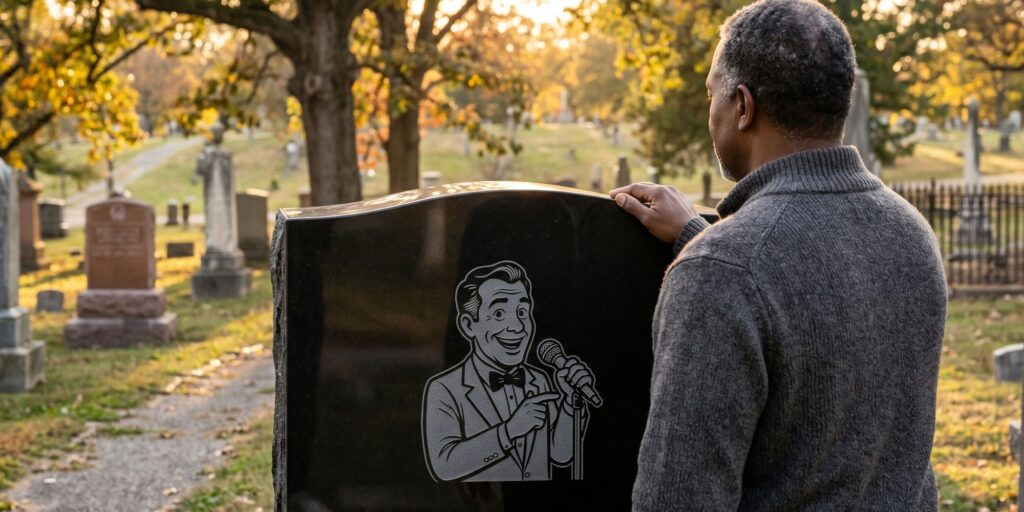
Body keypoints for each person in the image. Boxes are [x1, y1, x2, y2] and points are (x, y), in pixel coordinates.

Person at [611, 0, 947, 509]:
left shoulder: (718, 272)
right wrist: (698, 238)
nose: (711, 110)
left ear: (742, 107)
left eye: (712, 93)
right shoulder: (911, 234)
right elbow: (809, 294)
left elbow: (679, 497)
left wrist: (709, 256)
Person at [421, 260, 596, 482]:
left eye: (522, 311)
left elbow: (561, 455)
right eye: (499, 314)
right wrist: (509, 430)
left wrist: (570, 404)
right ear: (468, 325)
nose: (517, 327)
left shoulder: (539, 380)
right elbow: (444, 465)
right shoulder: (444, 389)